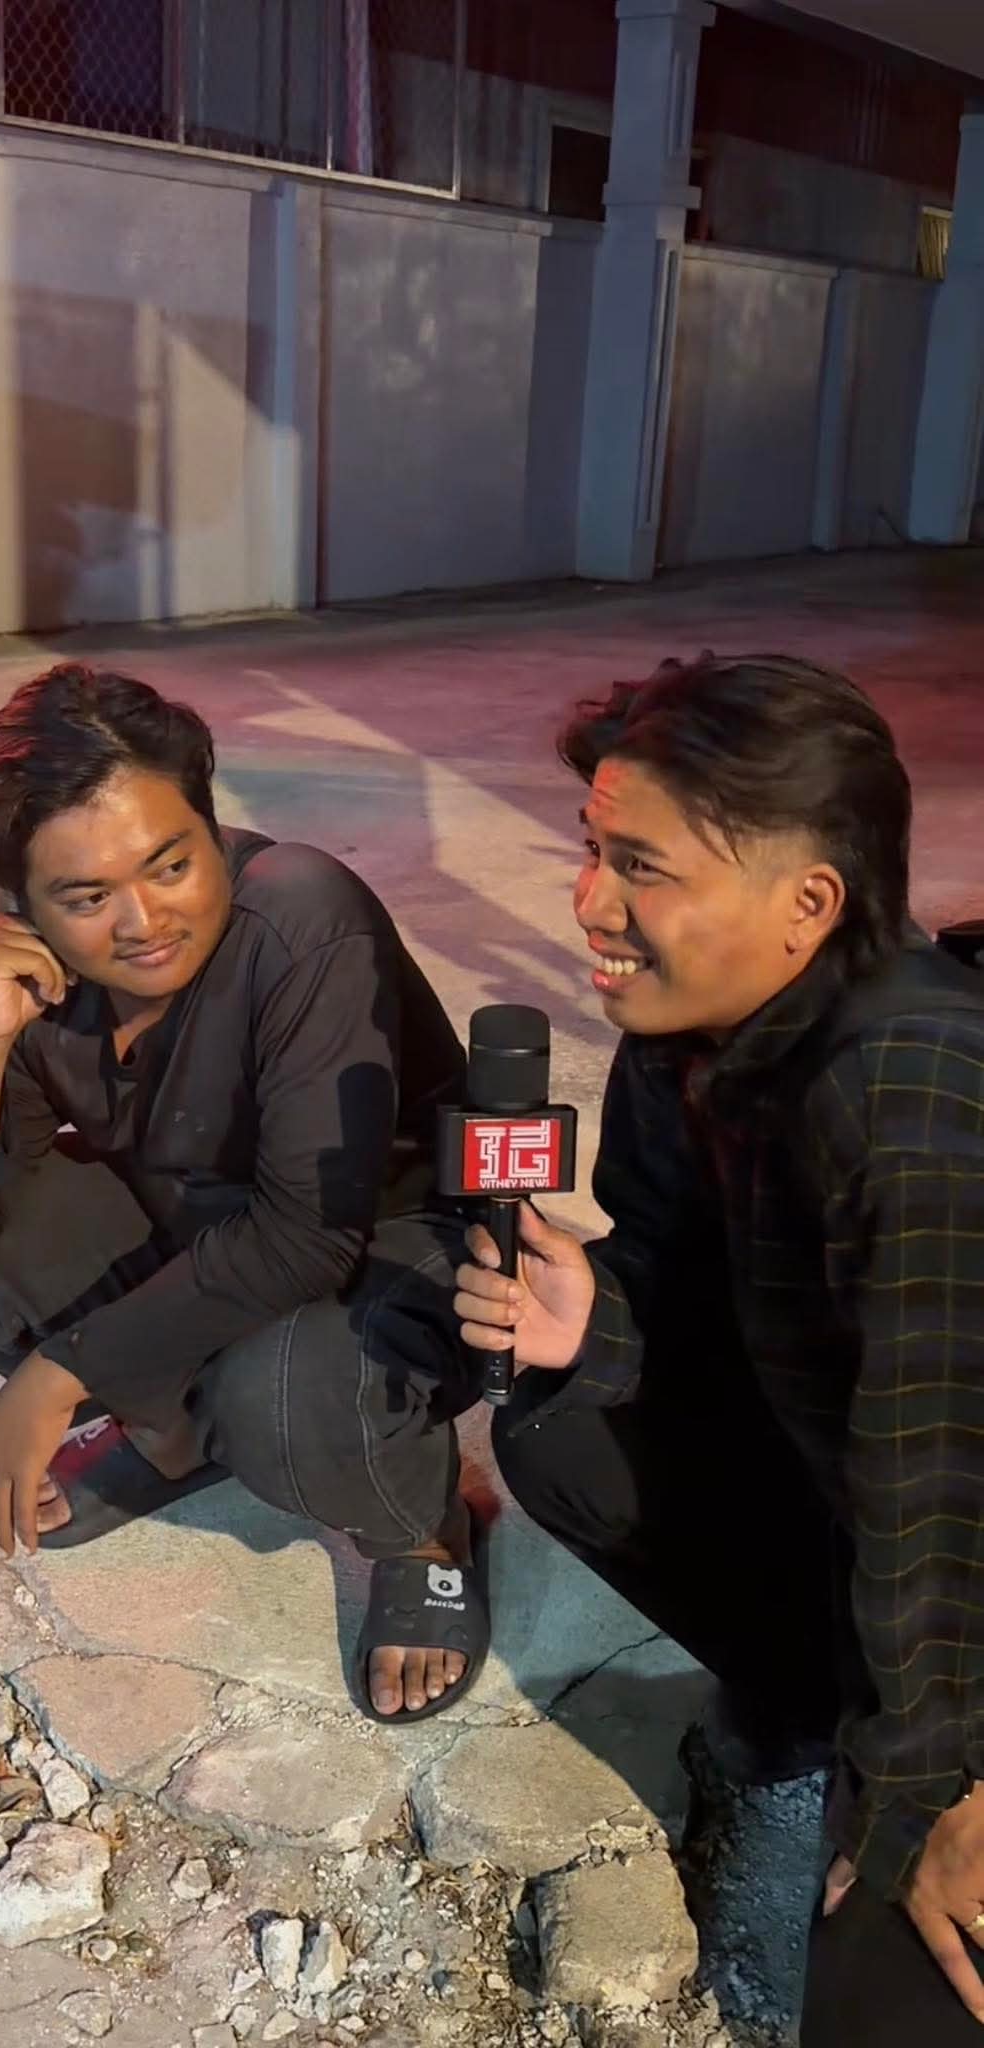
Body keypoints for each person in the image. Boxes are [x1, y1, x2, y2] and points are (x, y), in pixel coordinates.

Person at [452, 654, 984, 2044]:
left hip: (959, 1568)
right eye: (593, 852)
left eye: (642, 867)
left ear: (809, 903)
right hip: (876, 1519)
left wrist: (938, 1793)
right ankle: (806, 1722)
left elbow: (938, 1488)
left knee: (897, 1994)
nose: (588, 902)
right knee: (562, 1424)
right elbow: (671, 1270)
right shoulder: (687, 1039)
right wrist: (597, 1318)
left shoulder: (909, 1099)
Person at [0, 662, 490, 1724]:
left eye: (172, 863)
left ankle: (422, 1530)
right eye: (86, 896)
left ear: (209, 821)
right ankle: (176, 1431)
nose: (146, 920)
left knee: (277, 1393)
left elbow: (307, 1239)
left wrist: (61, 1370)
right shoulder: (43, 977)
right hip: (206, 1232)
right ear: (20, 904)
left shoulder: (302, 916)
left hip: (391, 1249)